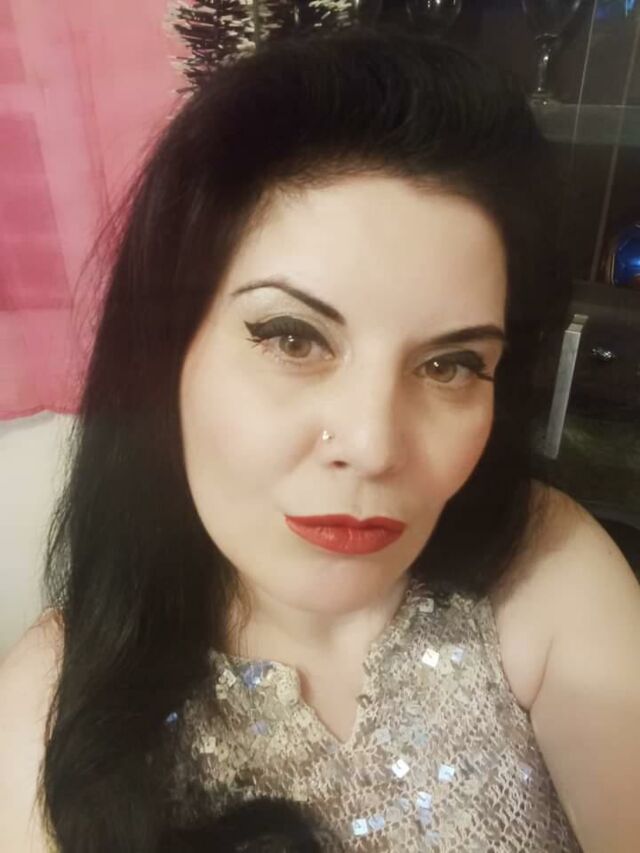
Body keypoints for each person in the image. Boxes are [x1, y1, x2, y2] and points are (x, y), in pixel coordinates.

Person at [0, 24, 638, 853]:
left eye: (450, 364)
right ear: (164, 362)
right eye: (293, 338)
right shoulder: (52, 699)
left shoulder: (542, 566)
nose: (373, 445)